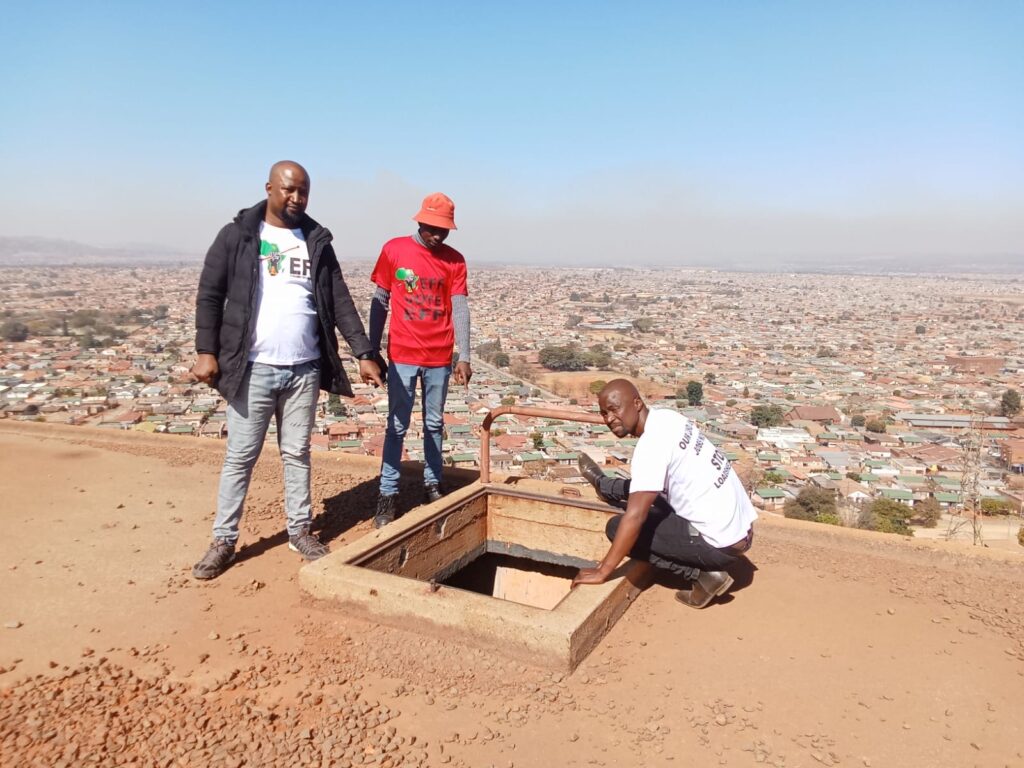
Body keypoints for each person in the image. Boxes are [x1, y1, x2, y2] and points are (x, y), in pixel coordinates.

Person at [190, 160, 383, 580]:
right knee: (241, 456)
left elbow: (340, 301)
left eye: (303, 192)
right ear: (270, 188)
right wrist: (207, 351)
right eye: (288, 190)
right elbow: (210, 294)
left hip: (304, 368)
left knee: (297, 453)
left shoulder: (314, 239)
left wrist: (363, 351)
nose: (296, 198)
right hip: (253, 367)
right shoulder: (238, 235)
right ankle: (223, 540)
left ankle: (300, 530)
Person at [572, 379, 757, 608]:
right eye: (603, 413)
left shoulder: (650, 447)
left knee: (617, 527)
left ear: (637, 403)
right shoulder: (667, 418)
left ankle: (702, 575)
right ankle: (605, 486)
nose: (609, 419)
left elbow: (635, 517)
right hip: (742, 531)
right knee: (650, 491)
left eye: (614, 410)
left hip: (721, 546)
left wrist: (603, 570)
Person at [368, 192, 472, 527]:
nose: (438, 235)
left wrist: (465, 355)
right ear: (420, 221)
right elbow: (380, 300)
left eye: (444, 230)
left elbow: (459, 308)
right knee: (397, 425)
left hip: (439, 355)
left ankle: (432, 483)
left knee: (433, 424)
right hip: (403, 354)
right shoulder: (395, 250)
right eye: (433, 228)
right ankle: (388, 493)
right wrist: (370, 349)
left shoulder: (454, 261)